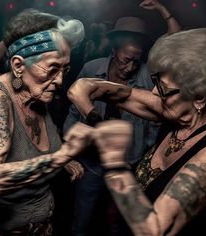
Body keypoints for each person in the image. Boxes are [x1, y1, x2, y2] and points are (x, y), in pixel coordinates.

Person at [67, 28, 206, 235]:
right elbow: (96, 89)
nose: (154, 92)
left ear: (199, 97)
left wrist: (114, 161)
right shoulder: (180, 110)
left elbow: (154, 230)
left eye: (163, 87)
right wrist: (92, 115)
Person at [63, 15, 160, 236]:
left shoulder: (147, 78)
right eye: (127, 59)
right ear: (114, 51)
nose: (131, 66)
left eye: (137, 60)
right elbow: (73, 112)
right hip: (91, 164)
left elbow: (154, 122)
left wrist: (141, 155)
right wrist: (71, 150)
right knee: (82, 221)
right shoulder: (91, 69)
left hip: (128, 164)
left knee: (118, 224)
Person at [0, 8, 85, 235]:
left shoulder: (37, 93)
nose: (60, 80)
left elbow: (41, 139)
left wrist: (62, 157)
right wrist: (62, 156)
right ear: (18, 65)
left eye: (65, 69)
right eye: (53, 69)